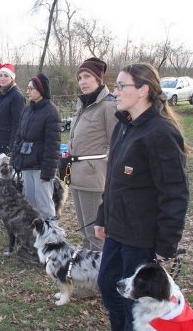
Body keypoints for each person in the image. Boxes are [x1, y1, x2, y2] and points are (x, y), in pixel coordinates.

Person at [95, 63, 190, 331]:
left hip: (141, 239)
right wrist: (103, 216)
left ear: (143, 90)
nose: (115, 92)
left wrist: (166, 245)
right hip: (116, 231)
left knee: (133, 305)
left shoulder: (160, 133)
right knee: (108, 286)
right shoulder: (123, 126)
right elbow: (114, 179)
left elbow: (175, 193)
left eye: (121, 86)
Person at [68, 57, 118, 251]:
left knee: (96, 234)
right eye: (80, 77)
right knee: (85, 232)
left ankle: (100, 277)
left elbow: (117, 144)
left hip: (94, 177)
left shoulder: (108, 106)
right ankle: (88, 274)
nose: (82, 81)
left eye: (87, 76)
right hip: (76, 175)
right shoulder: (83, 105)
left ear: (99, 78)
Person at [12, 73, 61, 220]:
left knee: (44, 204)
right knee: (30, 203)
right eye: (27, 88)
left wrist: (48, 172)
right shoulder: (27, 110)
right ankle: (34, 235)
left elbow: (53, 145)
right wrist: (15, 158)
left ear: (41, 90)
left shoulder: (51, 112)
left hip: (41, 166)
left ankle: (51, 237)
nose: (27, 91)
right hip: (27, 163)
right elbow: (19, 137)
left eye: (31, 88)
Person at [0, 63, 25, 215]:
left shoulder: (17, 96)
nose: (2, 78)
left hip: (7, 143)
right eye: (0, 75)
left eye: (5, 76)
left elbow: (17, 123)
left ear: (12, 78)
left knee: (4, 176)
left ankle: (5, 206)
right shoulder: (0, 93)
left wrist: (12, 146)